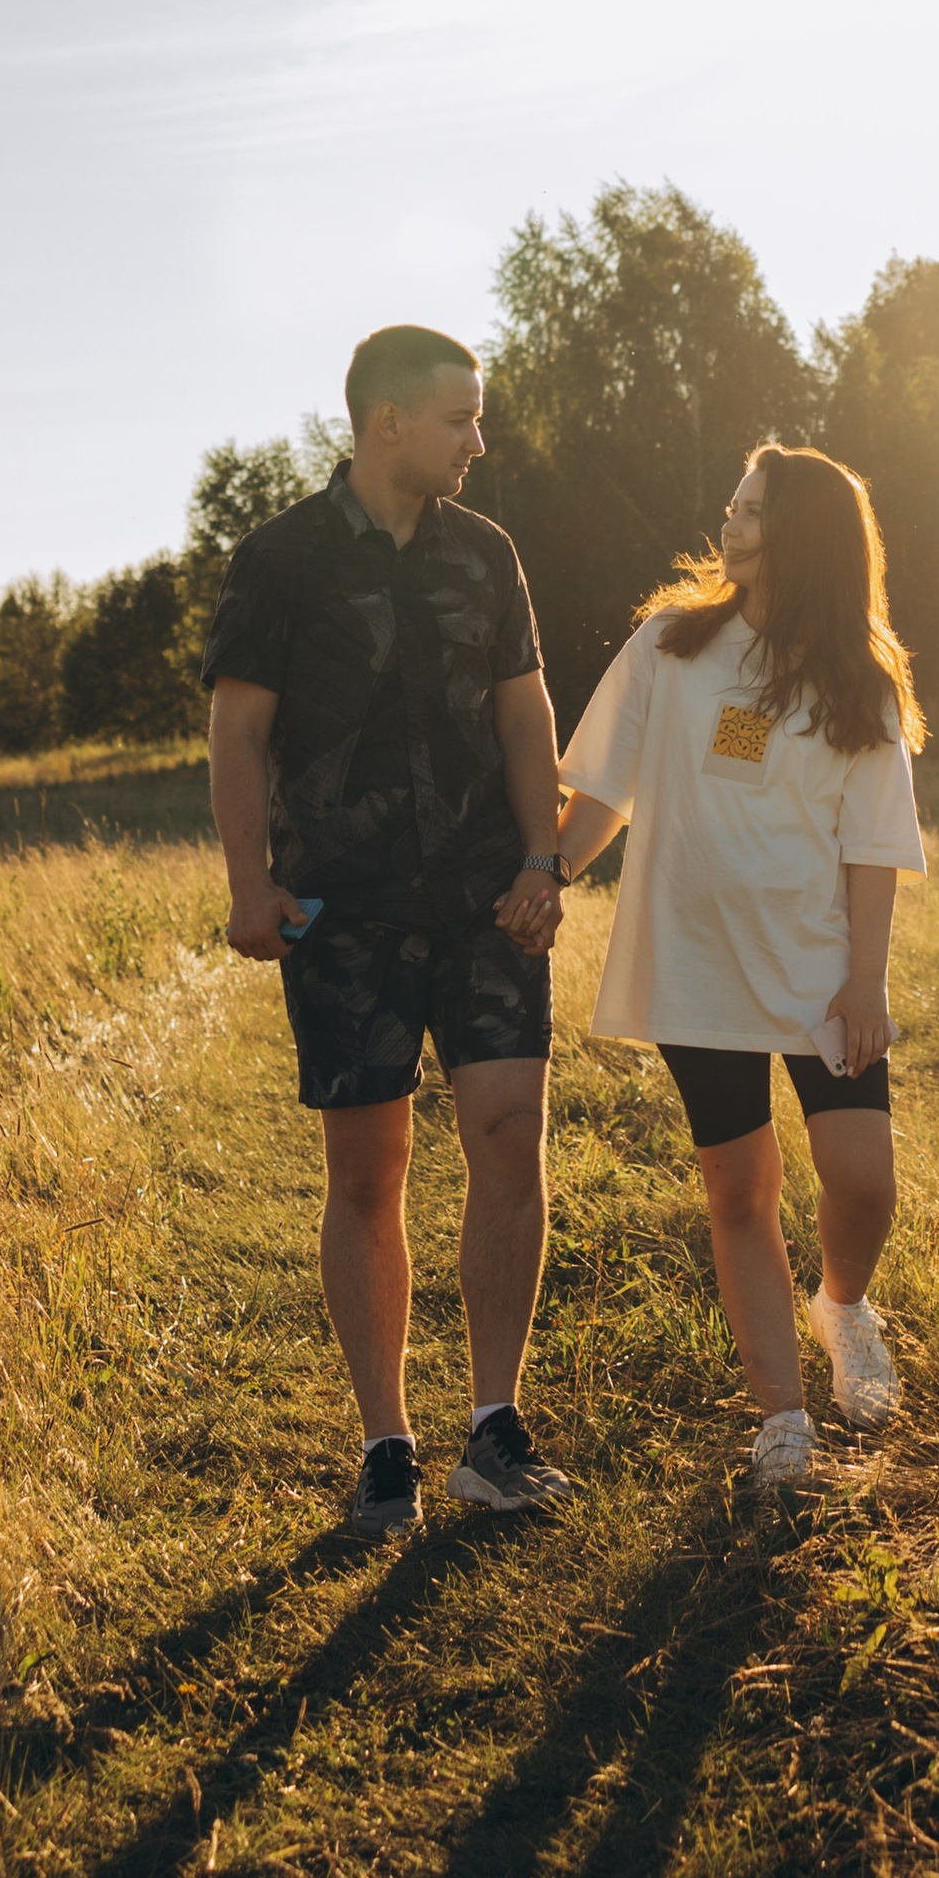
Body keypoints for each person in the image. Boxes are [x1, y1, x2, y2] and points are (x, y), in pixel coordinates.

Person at [204, 324, 574, 1534]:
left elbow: (527, 719)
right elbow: (239, 733)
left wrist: (540, 859)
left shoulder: (488, 553)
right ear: (388, 424)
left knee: (509, 1137)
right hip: (344, 909)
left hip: (485, 899)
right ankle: (385, 1444)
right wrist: (250, 885)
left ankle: (493, 1427)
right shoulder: (282, 560)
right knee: (369, 1174)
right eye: (462, 418)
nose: (480, 438)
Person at [553, 442, 926, 1490]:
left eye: (752, 511)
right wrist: (550, 870)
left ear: (803, 533)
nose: (730, 523)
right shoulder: (671, 647)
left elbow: (874, 842)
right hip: (695, 963)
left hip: (818, 968)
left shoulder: (858, 677)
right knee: (739, 1186)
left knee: (862, 1179)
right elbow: (602, 795)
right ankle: (783, 1423)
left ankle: (844, 1307)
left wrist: (866, 980)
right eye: (732, 505)